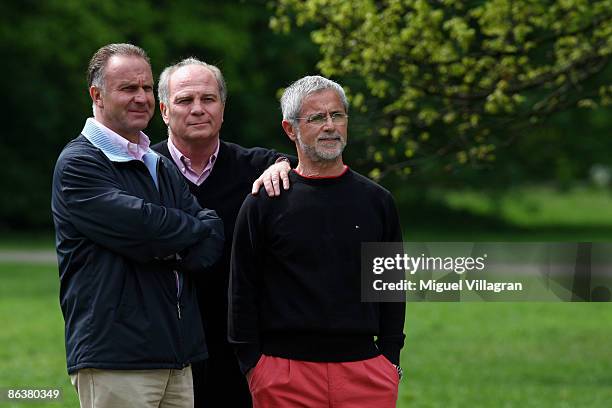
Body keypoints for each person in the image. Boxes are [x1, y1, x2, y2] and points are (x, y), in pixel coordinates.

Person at [51, 43, 224, 408]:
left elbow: (210, 234)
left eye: (146, 88)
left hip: (178, 359)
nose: (141, 97)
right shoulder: (79, 165)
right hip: (117, 359)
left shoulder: (157, 163)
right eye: (129, 88)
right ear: (96, 95)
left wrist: (168, 238)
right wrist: (182, 230)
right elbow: (146, 228)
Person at [229, 75, 406, 407]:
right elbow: (242, 290)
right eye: (316, 118)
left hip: (366, 371)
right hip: (283, 374)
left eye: (337, 115)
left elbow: (391, 287)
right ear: (290, 129)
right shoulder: (264, 202)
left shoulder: (378, 202)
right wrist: (253, 365)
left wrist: (390, 358)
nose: (330, 126)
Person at [152, 57, 293, 407]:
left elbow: (303, 170)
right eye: (185, 100)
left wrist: (285, 166)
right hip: (164, 347)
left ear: (223, 108)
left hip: (240, 350)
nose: (198, 109)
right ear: (165, 111)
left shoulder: (259, 167)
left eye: (208, 99)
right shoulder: (144, 171)